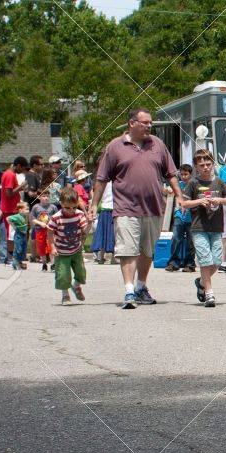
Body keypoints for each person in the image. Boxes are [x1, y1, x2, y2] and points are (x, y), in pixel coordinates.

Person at [90, 108, 186, 309]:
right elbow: (101, 178)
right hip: (126, 208)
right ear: (132, 123)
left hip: (153, 208)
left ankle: (141, 286)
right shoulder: (115, 146)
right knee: (128, 250)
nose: (149, 126)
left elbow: (170, 173)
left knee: (147, 251)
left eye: (150, 123)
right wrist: (93, 205)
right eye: (145, 122)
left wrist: (179, 195)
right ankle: (129, 291)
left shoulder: (157, 145)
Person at [179, 149, 226, 308]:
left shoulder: (218, 181)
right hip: (199, 227)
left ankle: (200, 282)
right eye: (201, 165)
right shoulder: (193, 183)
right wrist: (199, 202)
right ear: (196, 167)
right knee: (205, 260)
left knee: (217, 261)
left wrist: (219, 200)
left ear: (213, 164)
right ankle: (209, 293)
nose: (205, 167)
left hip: (216, 227)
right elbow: (184, 204)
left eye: (208, 164)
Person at [48, 188, 89, 303]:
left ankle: (76, 286)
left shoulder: (79, 214)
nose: (71, 210)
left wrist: (89, 222)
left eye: (74, 207)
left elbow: (85, 230)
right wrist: (52, 246)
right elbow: (50, 232)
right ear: (61, 204)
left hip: (76, 249)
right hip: (61, 251)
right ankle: (65, 295)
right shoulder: (56, 217)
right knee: (63, 275)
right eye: (67, 207)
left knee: (81, 273)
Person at [164, 164, 195, 272]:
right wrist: (167, 190)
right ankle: (173, 263)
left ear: (191, 174)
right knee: (176, 239)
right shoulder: (178, 185)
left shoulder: (194, 185)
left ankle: (190, 263)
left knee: (191, 241)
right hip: (179, 215)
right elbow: (167, 190)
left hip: (191, 217)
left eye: (186, 174)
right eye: (181, 174)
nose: (183, 176)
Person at [0, 156, 26, 265]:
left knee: (11, 234)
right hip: (10, 209)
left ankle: (10, 257)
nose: (21, 171)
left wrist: (20, 188)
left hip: (11, 208)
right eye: (22, 169)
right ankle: (10, 258)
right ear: (18, 165)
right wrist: (21, 186)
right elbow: (9, 194)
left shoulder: (8, 174)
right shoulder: (10, 175)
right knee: (12, 235)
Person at [31, 188, 57, 271]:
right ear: (39, 197)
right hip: (39, 230)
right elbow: (33, 218)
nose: (46, 198)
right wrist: (40, 223)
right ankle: (44, 264)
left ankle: (53, 264)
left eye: (47, 196)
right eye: (44, 196)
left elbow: (57, 217)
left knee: (51, 246)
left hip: (50, 230)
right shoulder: (36, 207)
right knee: (41, 247)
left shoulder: (53, 207)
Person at [91, 174, 115, 264]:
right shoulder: (116, 182)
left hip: (104, 208)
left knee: (102, 233)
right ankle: (113, 257)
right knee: (113, 233)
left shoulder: (101, 182)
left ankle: (101, 257)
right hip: (112, 208)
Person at [6, 202, 29, 270]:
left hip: (24, 235)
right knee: (18, 249)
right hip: (18, 235)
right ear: (20, 210)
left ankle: (20, 262)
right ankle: (15, 263)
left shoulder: (25, 216)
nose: (28, 211)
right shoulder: (17, 216)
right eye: (26, 209)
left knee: (23, 249)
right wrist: (14, 226)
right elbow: (8, 218)